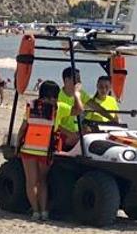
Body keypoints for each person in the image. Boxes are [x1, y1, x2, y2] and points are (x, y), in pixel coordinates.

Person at [16, 80, 60, 221]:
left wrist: (17, 145)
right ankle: (45, 211)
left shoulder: (32, 105)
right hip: (46, 150)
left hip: (29, 147)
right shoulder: (58, 108)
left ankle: (35, 211)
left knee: (31, 182)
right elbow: (78, 110)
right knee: (42, 181)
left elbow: (23, 127)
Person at [55, 67, 91, 150]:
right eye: (77, 80)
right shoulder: (58, 98)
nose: (80, 83)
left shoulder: (81, 93)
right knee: (75, 139)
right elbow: (55, 124)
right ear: (67, 80)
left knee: (90, 132)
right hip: (59, 131)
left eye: (80, 80)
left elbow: (95, 105)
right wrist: (76, 95)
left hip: (72, 130)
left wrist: (111, 117)